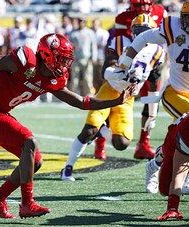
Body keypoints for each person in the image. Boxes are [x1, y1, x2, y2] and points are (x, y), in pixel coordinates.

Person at [0, 33, 136, 218]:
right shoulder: (24, 61)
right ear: (46, 54)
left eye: (65, 60)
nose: (64, 65)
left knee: (35, 162)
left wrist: (117, 101)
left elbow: (81, 102)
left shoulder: (53, 78)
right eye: (60, 59)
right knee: (29, 142)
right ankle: (27, 204)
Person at [60, 14, 165, 181]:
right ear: (132, 31)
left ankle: (102, 130)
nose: (142, 35)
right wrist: (122, 73)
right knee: (89, 130)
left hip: (127, 98)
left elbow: (153, 85)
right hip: (109, 90)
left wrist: (152, 115)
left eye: (146, 31)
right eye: (138, 31)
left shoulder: (158, 52)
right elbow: (105, 72)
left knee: (121, 143)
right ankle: (68, 168)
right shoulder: (120, 42)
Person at [119, 2, 189, 194]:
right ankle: (183, 176)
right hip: (175, 93)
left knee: (179, 140)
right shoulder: (172, 27)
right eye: (187, 18)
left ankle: (155, 163)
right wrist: (126, 60)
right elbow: (143, 37)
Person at [110, 0, 167, 160]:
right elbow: (119, 44)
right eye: (139, 5)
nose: (144, 8)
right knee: (116, 99)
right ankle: (101, 140)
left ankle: (144, 143)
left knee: (151, 101)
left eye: (146, 4)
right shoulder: (123, 18)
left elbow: (166, 38)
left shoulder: (160, 11)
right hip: (130, 63)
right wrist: (120, 65)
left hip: (153, 62)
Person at [153, 113, 189, 221]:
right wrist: (172, 208)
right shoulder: (186, 134)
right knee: (164, 190)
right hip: (174, 141)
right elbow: (179, 174)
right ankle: (161, 152)